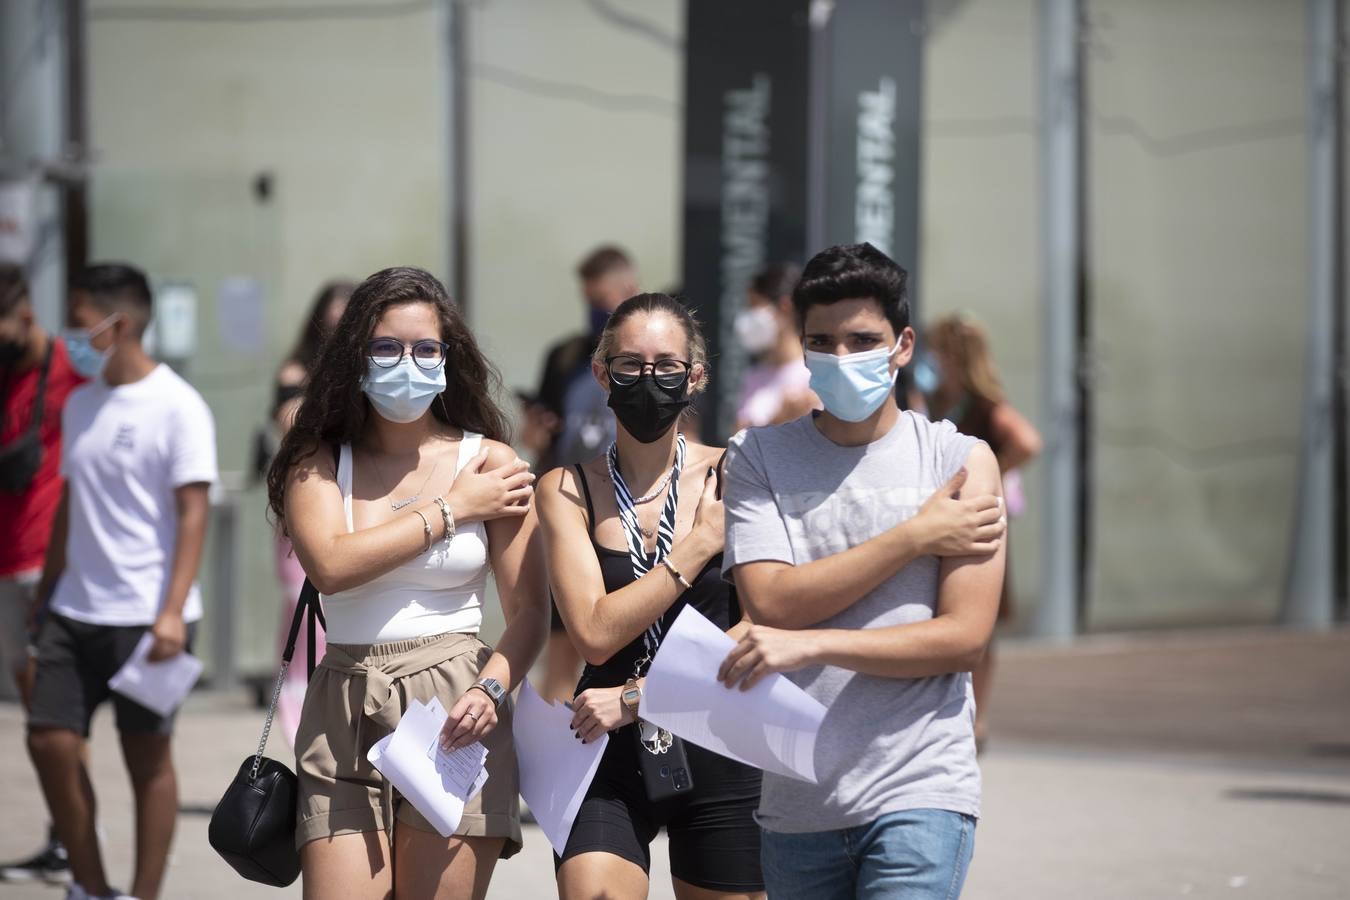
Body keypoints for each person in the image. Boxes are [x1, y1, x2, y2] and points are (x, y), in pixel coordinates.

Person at [719, 243, 1007, 900]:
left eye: (862, 340)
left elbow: (961, 640)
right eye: (822, 342)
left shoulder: (958, 460)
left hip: (921, 789)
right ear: (801, 346)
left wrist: (815, 642)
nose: (842, 358)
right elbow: (772, 604)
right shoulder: (757, 456)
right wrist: (915, 537)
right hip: (798, 804)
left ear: (903, 346)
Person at [266, 266, 547, 899]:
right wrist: (453, 509)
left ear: (449, 357)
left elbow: (530, 610)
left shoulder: (488, 462)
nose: (408, 363)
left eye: (426, 349)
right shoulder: (316, 457)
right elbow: (330, 566)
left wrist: (494, 690)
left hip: (456, 702)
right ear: (355, 355)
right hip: (344, 696)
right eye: (387, 348)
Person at [536, 292, 766, 900]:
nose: (647, 378)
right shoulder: (566, 488)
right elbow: (593, 631)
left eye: (666, 364)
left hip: (718, 733)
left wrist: (641, 696)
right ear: (600, 372)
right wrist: (698, 545)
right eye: (630, 363)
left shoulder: (739, 474)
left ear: (696, 376)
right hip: (601, 746)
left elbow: (762, 626)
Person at [26, 263, 218, 900]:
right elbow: (71, 504)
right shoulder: (81, 403)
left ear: (122, 323)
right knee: (50, 740)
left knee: (146, 760)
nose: (71, 338)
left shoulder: (178, 405)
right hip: (74, 607)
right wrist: (47, 590)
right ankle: (90, 885)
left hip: (147, 616)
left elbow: (194, 514)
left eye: (81, 324)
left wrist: (171, 613)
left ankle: (142, 894)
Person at [0, 264, 86, 886]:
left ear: (24, 314)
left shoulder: (68, 365)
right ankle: (66, 835)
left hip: (49, 564)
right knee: (38, 719)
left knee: (51, 720)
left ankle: (78, 835)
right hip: (7, 563)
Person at [524, 245, 639, 703]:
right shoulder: (565, 356)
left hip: (630, 508)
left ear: (628, 292)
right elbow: (541, 434)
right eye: (588, 300)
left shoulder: (649, 356)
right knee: (561, 641)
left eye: (602, 300)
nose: (595, 311)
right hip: (571, 505)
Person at [925, 313, 1042, 750]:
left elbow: (1028, 441)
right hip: (939, 516)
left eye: (938, 349)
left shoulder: (986, 404)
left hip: (977, 516)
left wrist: (991, 471)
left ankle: (979, 716)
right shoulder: (934, 398)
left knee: (979, 617)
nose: (931, 358)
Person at [266, 279, 353, 747]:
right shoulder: (296, 373)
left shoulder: (367, 375)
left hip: (354, 511)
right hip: (303, 512)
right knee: (303, 619)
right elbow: (291, 423)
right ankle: (300, 724)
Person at [732, 263, 818, 431]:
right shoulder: (754, 375)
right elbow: (736, 440)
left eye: (754, 305)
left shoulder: (813, 374)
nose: (748, 316)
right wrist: (780, 419)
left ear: (784, 307)